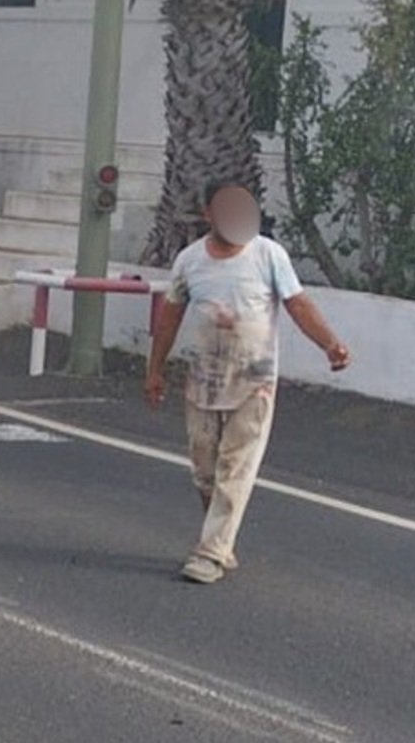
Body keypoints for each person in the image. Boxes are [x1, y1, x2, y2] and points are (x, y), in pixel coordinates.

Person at [146, 178, 353, 584]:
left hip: (254, 383)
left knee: (235, 468)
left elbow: (297, 304)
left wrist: (330, 344)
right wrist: (154, 369)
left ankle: (209, 552)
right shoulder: (190, 261)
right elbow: (169, 316)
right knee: (205, 472)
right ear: (209, 214)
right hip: (203, 381)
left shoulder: (268, 255)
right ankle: (220, 539)